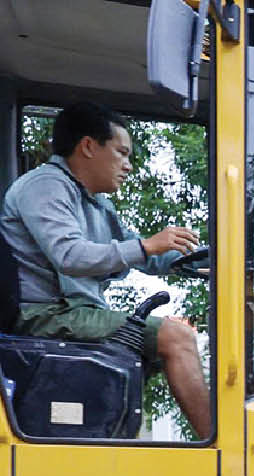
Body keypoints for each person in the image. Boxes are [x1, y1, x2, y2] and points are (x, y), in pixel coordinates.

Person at [1, 101, 209, 438]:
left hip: (76, 313)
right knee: (176, 335)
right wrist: (147, 245)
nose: (128, 165)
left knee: (157, 347)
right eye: (121, 153)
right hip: (47, 315)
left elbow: (146, 256)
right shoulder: (45, 186)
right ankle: (221, 451)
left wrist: (204, 261)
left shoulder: (97, 203)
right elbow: (70, 255)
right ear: (87, 146)